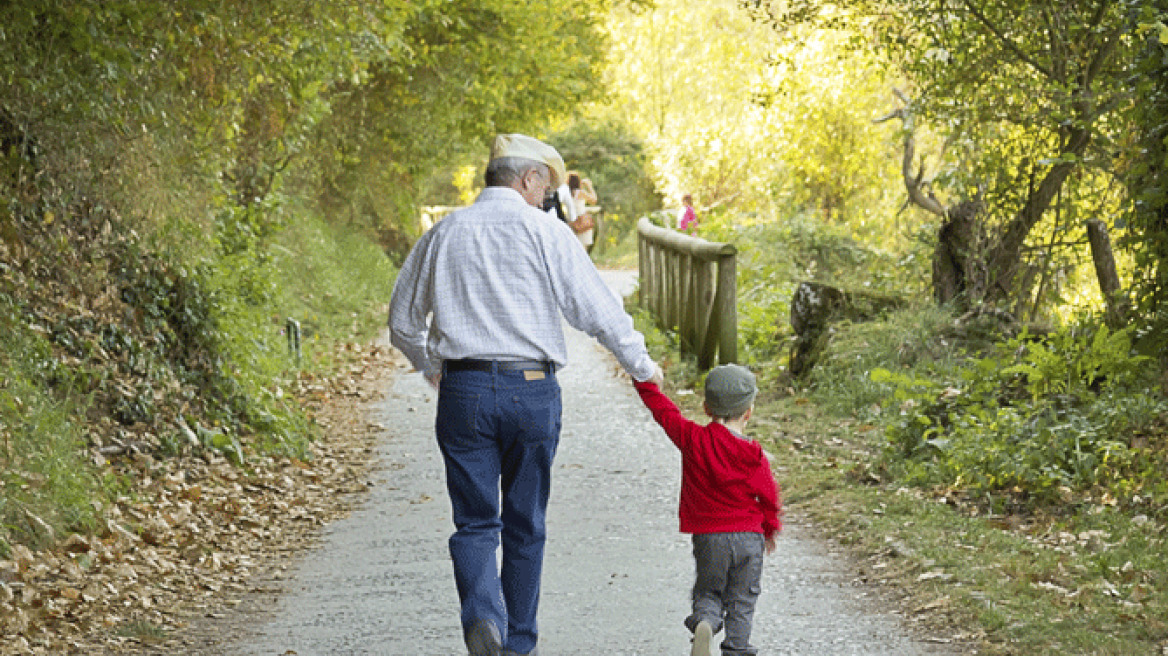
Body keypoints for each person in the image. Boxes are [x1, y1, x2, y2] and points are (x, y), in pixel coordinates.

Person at [388, 133, 665, 656]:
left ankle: (483, 617)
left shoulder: (444, 233)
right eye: (546, 186)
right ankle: (518, 646)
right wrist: (644, 368)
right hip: (533, 390)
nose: (547, 198)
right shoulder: (547, 233)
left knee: (473, 522)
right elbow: (599, 313)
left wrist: (433, 368)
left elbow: (402, 322)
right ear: (527, 179)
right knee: (525, 524)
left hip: (464, 388)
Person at [633, 364, 781, 656]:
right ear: (748, 412)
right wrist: (771, 529)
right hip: (749, 537)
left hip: (710, 537)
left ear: (705, 406)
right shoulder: (753, 453)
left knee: (709, 591)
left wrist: (643, 381)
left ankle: (705, 622)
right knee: (742, 599)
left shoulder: (692, 439)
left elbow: (665, 413)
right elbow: (769, 496)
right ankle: (737, 649)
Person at [567, 171, 598, 252]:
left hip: (571, 222)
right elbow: (594, 200)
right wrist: (589, 186)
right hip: (582, 222)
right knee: (583, 250)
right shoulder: (580, 192)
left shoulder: (567, 193)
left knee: (573, 249)